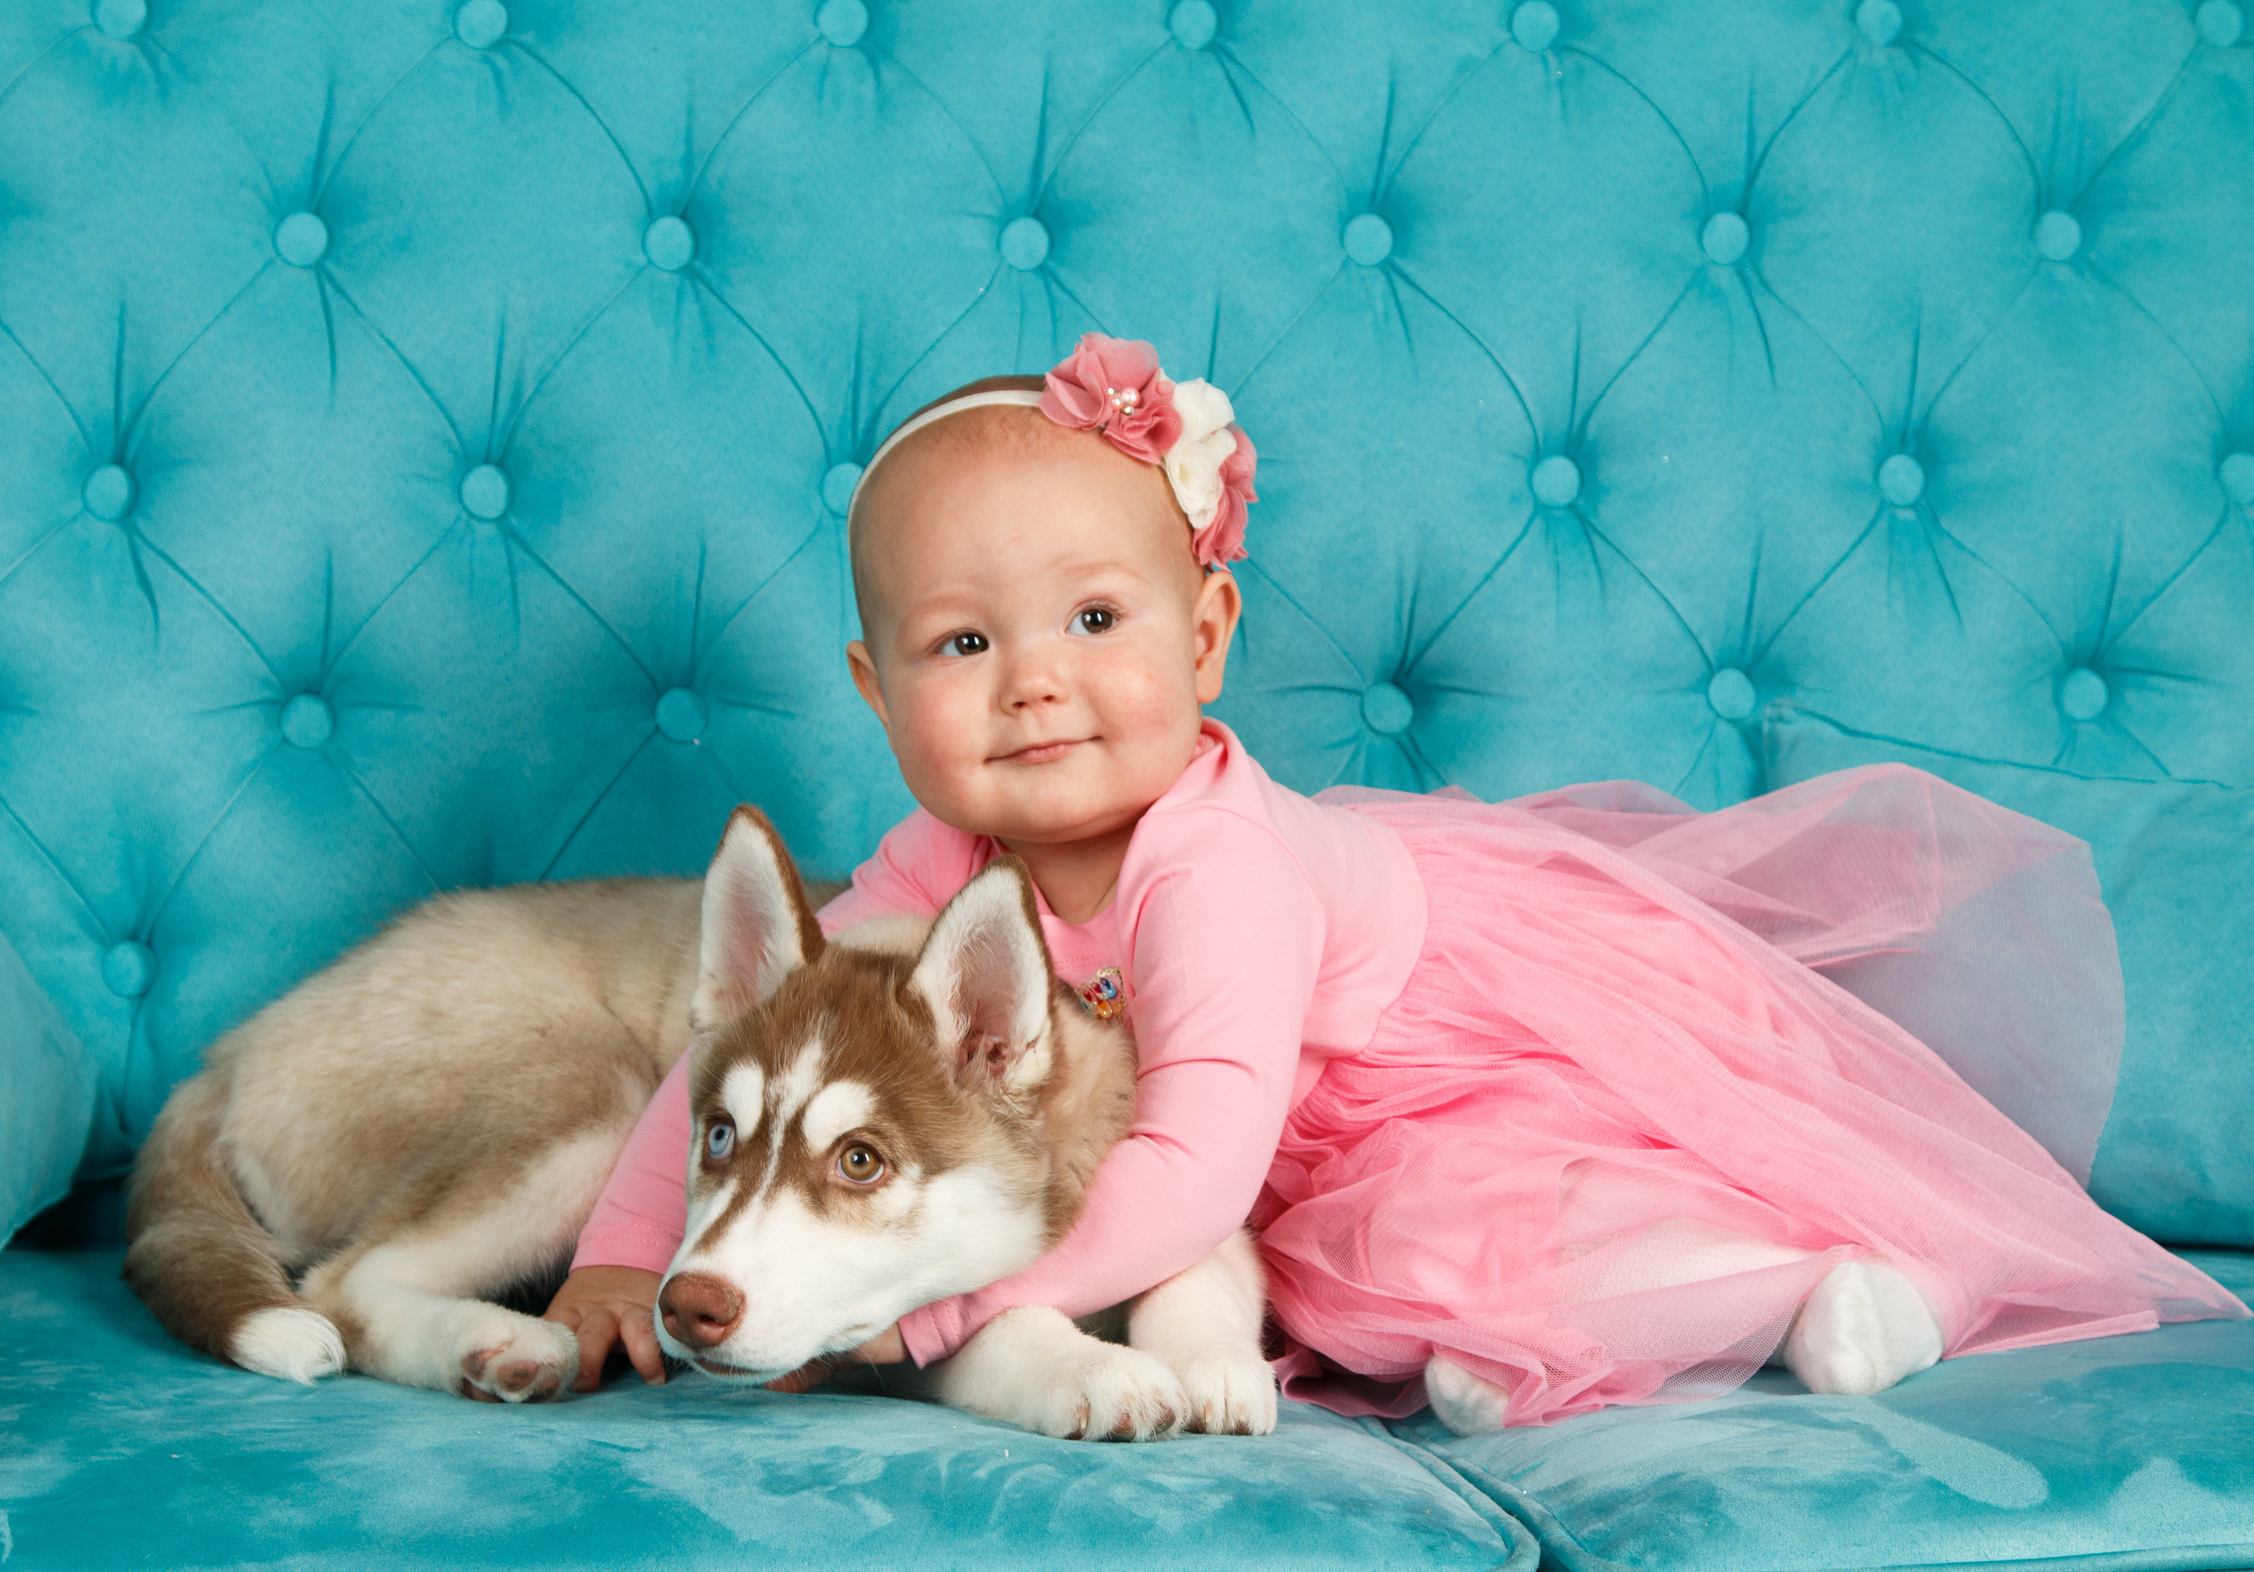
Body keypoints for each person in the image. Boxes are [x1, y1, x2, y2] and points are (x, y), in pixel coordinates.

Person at [542, 331, 2244, 1432]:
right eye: (963, 643)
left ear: (1206, 639)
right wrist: (625, 1252)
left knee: (1439, 1254)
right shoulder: (950, 860)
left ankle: (1848, 1273)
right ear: (874, 691)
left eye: (1094, 622)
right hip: (1267, 1153)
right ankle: (1775, 1282)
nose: (1034, 684)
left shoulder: (1213, 867)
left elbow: (1202, 1161)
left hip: (1439, 1067)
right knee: (1374, 1290)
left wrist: (965, 1305)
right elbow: (753, 1048)